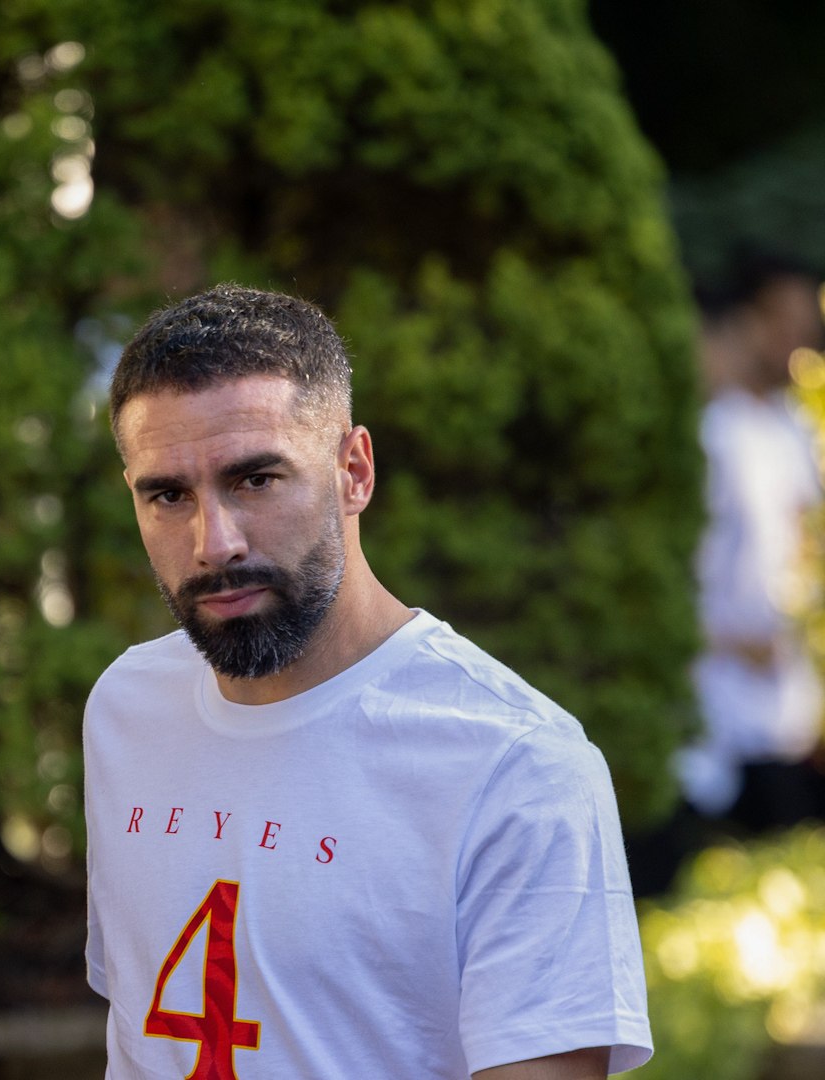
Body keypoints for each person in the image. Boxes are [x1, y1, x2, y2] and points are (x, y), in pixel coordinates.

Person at [84, 284, 651, 1078]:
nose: (214, 542)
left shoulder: (517, 765)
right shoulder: (125, 709)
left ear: (353, 471)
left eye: (256, 479)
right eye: (168, 494)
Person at [677, 250, 825, 831]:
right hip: (724, 710)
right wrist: (733, 642)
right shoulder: (715, 432)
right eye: (777, 317)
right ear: (745, 322)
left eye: (803, 318)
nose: (794, 334)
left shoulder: (799, 427)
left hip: (797, 707)